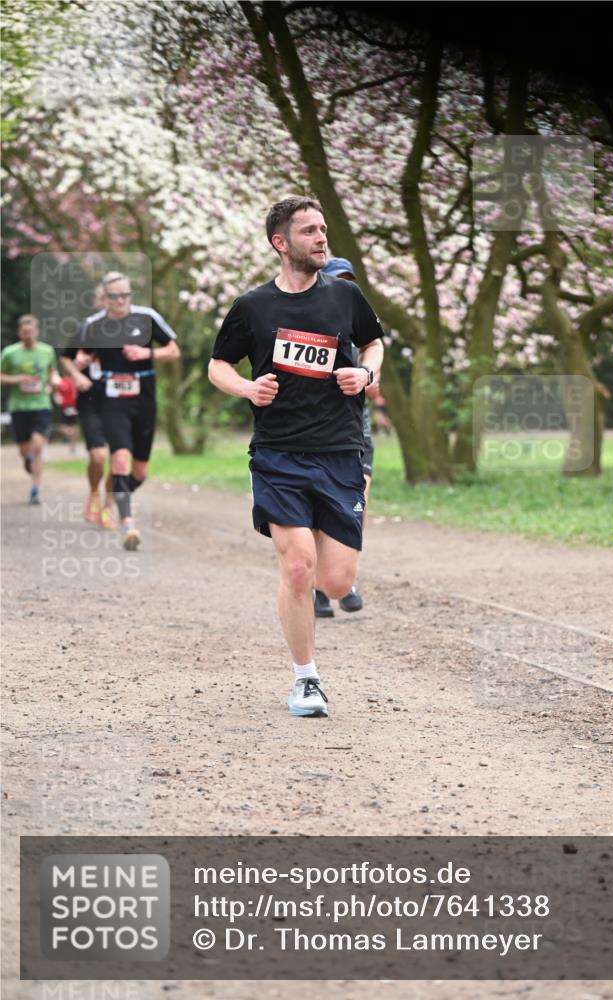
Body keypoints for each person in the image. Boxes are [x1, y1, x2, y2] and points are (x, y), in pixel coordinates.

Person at [209, 197, 384, 718]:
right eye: (309, 231)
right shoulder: (253, 307)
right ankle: (306, 680)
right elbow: (218, 364)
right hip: (278, 454)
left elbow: (373, 345)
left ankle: (339, 549)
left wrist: (366, 374)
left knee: (336, 582)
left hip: (340, 451)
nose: (321, 238)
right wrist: (246, 387)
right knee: (297, 566)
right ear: (280, 243)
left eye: (323, 228)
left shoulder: (345, 298)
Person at [71, 272, 180, 549]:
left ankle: (111, 498)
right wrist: (79, 365)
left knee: (139, 472)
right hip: (111, 402)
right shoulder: (94, 325)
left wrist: (148, 354)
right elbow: (77, 356)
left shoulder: (147, 317)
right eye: (114, 296)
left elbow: (174, 351)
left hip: (144, 399)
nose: (120, 300)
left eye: (125, 295)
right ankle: (128, 524)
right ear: (104, 298)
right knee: (119, 458)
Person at [312, 256, 382, 619]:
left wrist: (367, 374)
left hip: (356, 432)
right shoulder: (306, 323)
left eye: (349, 280)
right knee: (318, 509)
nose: (345, 286)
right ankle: (317, 583)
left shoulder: (360, 323)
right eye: (338, 279)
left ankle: (344, 573)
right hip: (313, 435)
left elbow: (376, 366)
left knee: (358, 502)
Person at [60, 283, 115, 528]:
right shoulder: (87, 328)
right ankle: (94, 493)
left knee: (119, 458)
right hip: (92, 399)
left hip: (120, 401)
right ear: (97, 301)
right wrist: (78, 374)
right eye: (104, 297)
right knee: (98, 455)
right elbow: (66, 356)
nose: (109, 301)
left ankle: (108, 507)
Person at [0, 314, 60, 505]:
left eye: (31, 332)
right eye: (25, 332)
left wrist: (53, 384)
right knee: (25, 451)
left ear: (37, 331)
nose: (28, 336)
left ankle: (35, 489)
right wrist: (18, 379)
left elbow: (52, 372)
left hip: (41, 404)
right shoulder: (10, 353)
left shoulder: (47, 351)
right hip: (19, 407)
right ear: (19, 333)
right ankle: (29, 460)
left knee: (38, 445)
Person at [53, 374, 79, 453]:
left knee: (63, 426)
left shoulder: (62, 382)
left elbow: (56, 394)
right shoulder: (74, 381)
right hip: (72, 407)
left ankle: (70, 435)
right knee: (73, 426)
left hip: (66, 406)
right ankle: (72, 445)